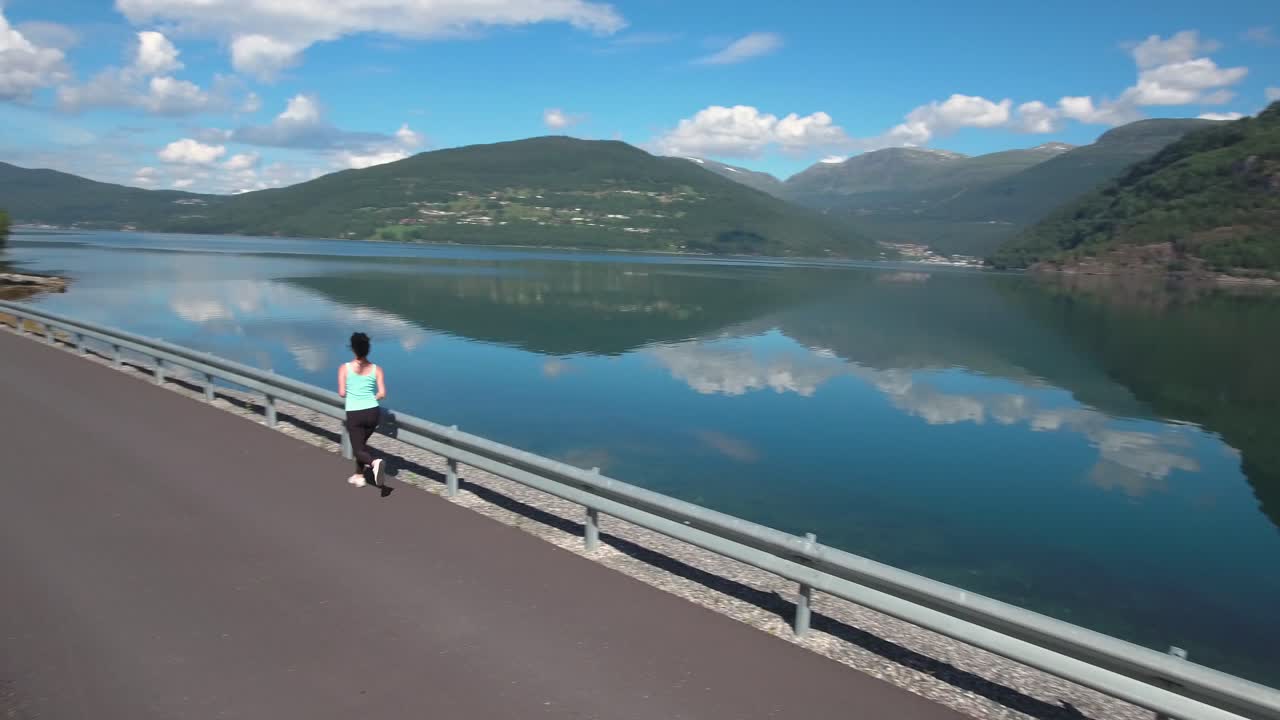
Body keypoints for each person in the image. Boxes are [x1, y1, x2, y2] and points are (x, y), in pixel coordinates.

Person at [338, 332, 386, 488]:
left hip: (355, 413)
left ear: (352, 349)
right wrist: (371, 398)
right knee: (361, 445)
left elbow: (342, 393)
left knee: (358, 449)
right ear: (368, 349)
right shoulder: (377, 369)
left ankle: (374, 463)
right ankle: (359, 476)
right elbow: (382, 393)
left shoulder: (344, 368)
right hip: (373, 412)